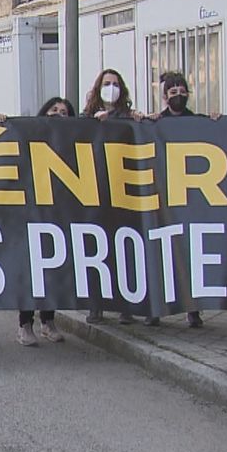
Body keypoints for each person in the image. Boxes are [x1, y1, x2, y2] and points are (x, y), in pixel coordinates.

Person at [82, 68, 143, 325]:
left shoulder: (128, 117)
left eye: (115, 84)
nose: (111, 88)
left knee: (124, 250)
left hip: (124, 191)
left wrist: (137, 120)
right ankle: (96, 305)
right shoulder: (87, 118)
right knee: (96, 250)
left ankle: (125, 305)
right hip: (95, 191)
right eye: (107, 83)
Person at [17, 97, 76, 346]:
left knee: (54, 268)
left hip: (60, 213)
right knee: (32, 270)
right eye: (53, 110)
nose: (58, 114)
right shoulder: (30, 136)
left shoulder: (73, 141)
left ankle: (48, 321)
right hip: (33, 212)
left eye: (64, 112)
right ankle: (25, 324)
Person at [149, 72, 205, 328]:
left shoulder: (197, 121)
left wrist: (217, 121)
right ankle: (155, 309)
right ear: (164, 96)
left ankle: (192, 309)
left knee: (189, 254)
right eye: (173, 93)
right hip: (162, 198)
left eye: (182, 91)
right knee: (161, 253)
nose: (179, 96)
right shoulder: (155, 123)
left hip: (191, 198)